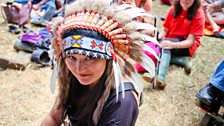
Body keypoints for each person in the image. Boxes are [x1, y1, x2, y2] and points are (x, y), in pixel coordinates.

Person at [40, 0, 158, 125]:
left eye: (90, 58)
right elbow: (53, 117)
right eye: (71, 57)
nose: (79, 69)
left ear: (109, 58)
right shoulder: (73, 77)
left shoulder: (122, 101)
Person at [155, 0, 205, 89]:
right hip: (170, 40)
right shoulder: (173, 9)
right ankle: (181, 61)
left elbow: (190, 42)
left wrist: (172, 45)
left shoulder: (199, 14)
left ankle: (160, 77)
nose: (186, 0)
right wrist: (156, 39)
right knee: (157, 46)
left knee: (164, 47)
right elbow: (165, 31)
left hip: (186, 46)